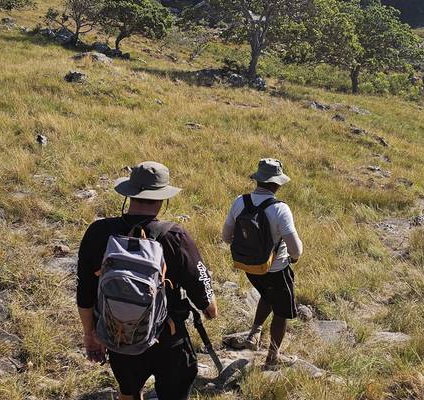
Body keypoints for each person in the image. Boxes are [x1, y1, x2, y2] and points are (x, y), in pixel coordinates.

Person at [76, 161, 218, 400]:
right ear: (163, 198)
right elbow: (205, 296)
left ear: (129, 194)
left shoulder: (98, 232)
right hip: (169, 340)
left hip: (119, 336)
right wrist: (210, 309)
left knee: (129, 392)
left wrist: (91, 335)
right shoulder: (174, 236)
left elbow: (85, 293)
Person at [221, 158, 303, 368]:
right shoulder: (280, 209)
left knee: (267, 295)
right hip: (276, 269)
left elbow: (226, 236)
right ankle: (272, 359)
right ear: (277, 183)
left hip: (249, 267)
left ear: (258, 180)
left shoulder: (240, 201)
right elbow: (296, 248)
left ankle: (254, 333)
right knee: (282, 312)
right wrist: (293, 258)